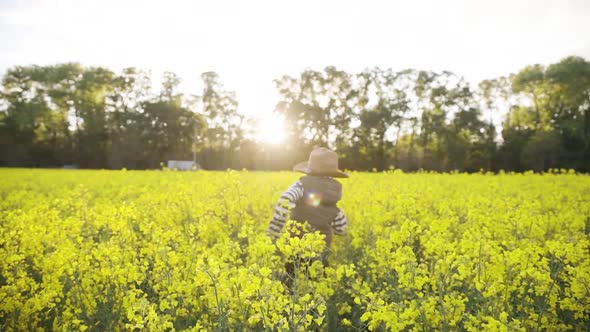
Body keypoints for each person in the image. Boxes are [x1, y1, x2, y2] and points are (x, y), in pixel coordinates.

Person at [267, 147, 349, 290]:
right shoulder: (333, 199)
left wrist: (275, 229)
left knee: (289, 284)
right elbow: (342, 229)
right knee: (316, 288)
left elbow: (285, 199)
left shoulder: (302, 186)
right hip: (320, 251)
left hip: (296, 245)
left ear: (309, 171)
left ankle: (290, 308)